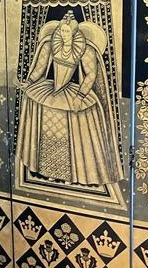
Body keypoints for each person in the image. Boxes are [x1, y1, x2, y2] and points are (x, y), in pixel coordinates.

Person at [15, 12, 123, 186]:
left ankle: (73, 175)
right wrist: (28, 82)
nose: (63, 34)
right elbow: (40, 69)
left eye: (67, 32)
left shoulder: (84, 48)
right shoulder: (50, 44)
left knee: (71, 132)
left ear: (74, 33)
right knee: (49, 135)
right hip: (49, 92)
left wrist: (81, 96)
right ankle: (47, 171)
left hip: (73, 93)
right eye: (61, 31)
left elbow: (90, 75)